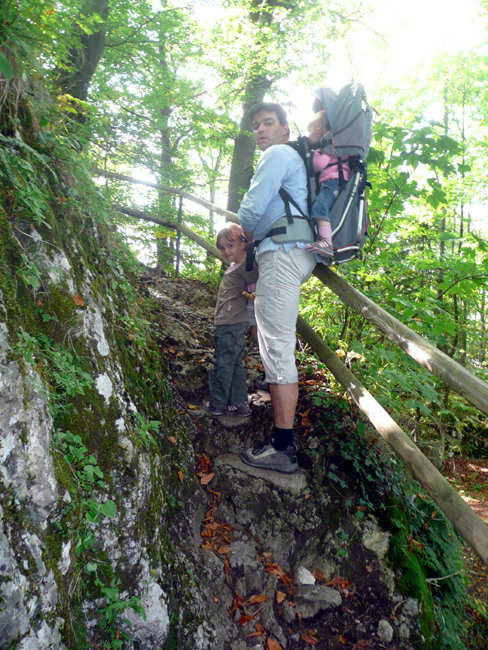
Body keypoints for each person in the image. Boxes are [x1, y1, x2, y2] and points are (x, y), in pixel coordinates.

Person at [237, 102, 316, 473]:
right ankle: (280, 435)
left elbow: (250, 212)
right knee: (275, 341)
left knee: (277, 345)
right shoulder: (292, 159)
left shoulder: (278, 154)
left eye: (268, 123)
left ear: (286, 129)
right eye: (255, 126)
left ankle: (282, 447)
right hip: (292, 251)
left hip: (282, 253)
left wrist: (246, 227)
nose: (260, 130)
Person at [208, 222, 258, 418]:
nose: (226, 251)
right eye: (222, 247)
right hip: (229, 321)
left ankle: (218, 404)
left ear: (243, 244)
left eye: (231, 245)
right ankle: (239, 403)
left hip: (232, 322)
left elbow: (256, 281)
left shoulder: (246, 266)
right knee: (235, 363)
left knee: (224, 362)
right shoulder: (235, 266)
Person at [305, 109, 350, 263]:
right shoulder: (336, 143)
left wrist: (313, 154)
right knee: (322, 211)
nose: (309, 135)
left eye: (310, 132)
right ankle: (323, 247)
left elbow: (318, 165)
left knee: (319, 209)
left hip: (333, 181)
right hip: (336, 181)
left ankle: (326, 244)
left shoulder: (327, 146)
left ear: (318, 130)